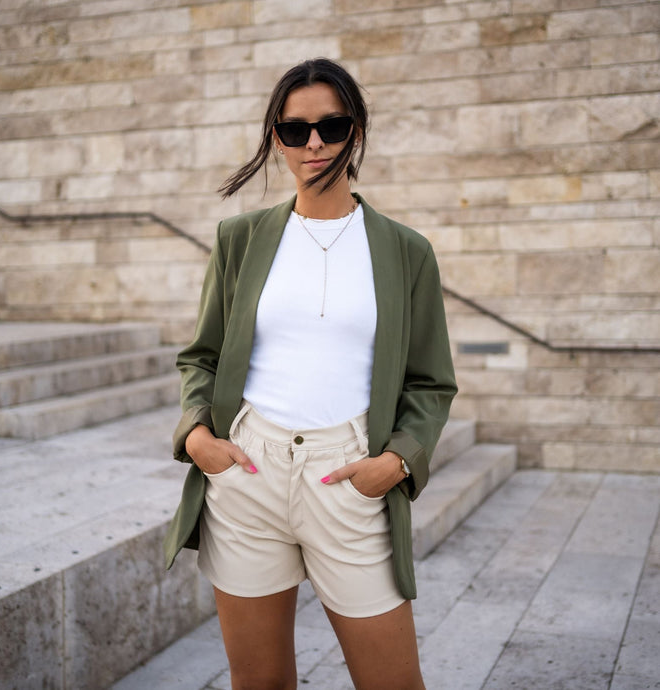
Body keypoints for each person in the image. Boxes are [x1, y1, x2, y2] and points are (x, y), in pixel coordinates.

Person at [163, 58, 457, 690]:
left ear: (356, 131)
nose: (314, 143)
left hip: (349, 477)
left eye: (332, 126)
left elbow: (431, 381)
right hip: (247, 475)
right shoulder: (240, 238)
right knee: (259, 683)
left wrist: (396, 462)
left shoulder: (406, 251)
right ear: (277, 138)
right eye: (295, 130)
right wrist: (198, 437)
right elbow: (202, 355)